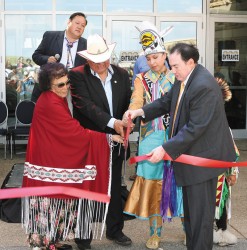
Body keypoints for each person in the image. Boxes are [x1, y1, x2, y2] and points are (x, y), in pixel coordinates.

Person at [123, 42, 236, 250]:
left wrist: (165, 149)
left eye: (175, 66)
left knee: (200, 221)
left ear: (190, 62)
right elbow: (166, 101)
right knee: (192, 217)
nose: (172, 71)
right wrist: (140, 112)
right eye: (171, 66)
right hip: (191, 160)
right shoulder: (184, 78)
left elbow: (195, 127)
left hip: (203, 162)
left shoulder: (203, 85)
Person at [22, 63, 122, 250]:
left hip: (52, 159)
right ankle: (43, 243)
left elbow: (67, 131)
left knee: (57, 202)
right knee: (48, 203)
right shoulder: (50, 102)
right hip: (47, 161)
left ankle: (53, 241)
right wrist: (108, 137)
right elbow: (74, 132)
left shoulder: (55, 98)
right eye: (60, 85)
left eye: (67, 83)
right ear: (48, 86)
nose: (65, 87)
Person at [123, 21, 183, 250]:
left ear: (164, 54)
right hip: (151, 137)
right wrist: (131, 110)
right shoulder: (141, 79)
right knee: (153, 188)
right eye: (148, 59)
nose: (152, 62)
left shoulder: (177, 76)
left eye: (155, 57)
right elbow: (136, 101)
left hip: (177, 137)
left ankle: (189, 229)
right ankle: (155, 232)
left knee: (181, 183)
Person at [69, 34, 132, 249]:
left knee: (115, 187)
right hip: (90, 141)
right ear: (87, 60)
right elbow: (85, 106)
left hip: (116, 142)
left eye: (105, 58)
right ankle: (83, 236)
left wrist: (127, 121)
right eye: (96, 61)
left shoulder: (122, 74)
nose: (102, 64)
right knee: (87, 188)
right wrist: (113, 122)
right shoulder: (77, 76)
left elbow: (127, 103)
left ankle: (115, 230)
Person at [31, 12, 88, 111]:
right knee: (46, 116)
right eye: (77, 23)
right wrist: (47, 59)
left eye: (83, 25)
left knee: (68, 116)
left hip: (72, 88)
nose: (79, 27)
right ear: (69, 22)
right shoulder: (50, 36)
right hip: (49, 85)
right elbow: (36, 56)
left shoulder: (86, 44)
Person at [213, 75, 239, 247]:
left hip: (220, 174)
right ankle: (201, 232)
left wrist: (233, 172)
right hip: (201, 172)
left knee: (221, 201)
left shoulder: (223, 125)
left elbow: (232, 151)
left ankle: (221, 231)